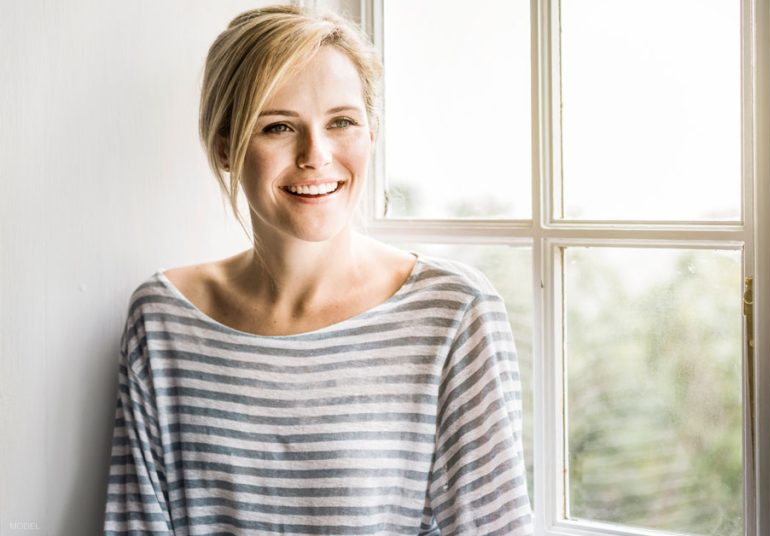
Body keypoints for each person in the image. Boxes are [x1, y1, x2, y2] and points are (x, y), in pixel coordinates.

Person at [102, 5, 532, 535]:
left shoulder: (453, 312)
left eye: (342, 122)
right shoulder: (163, 317)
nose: (316, 155)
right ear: (225, 147)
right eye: (278, 126)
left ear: (372, 131)